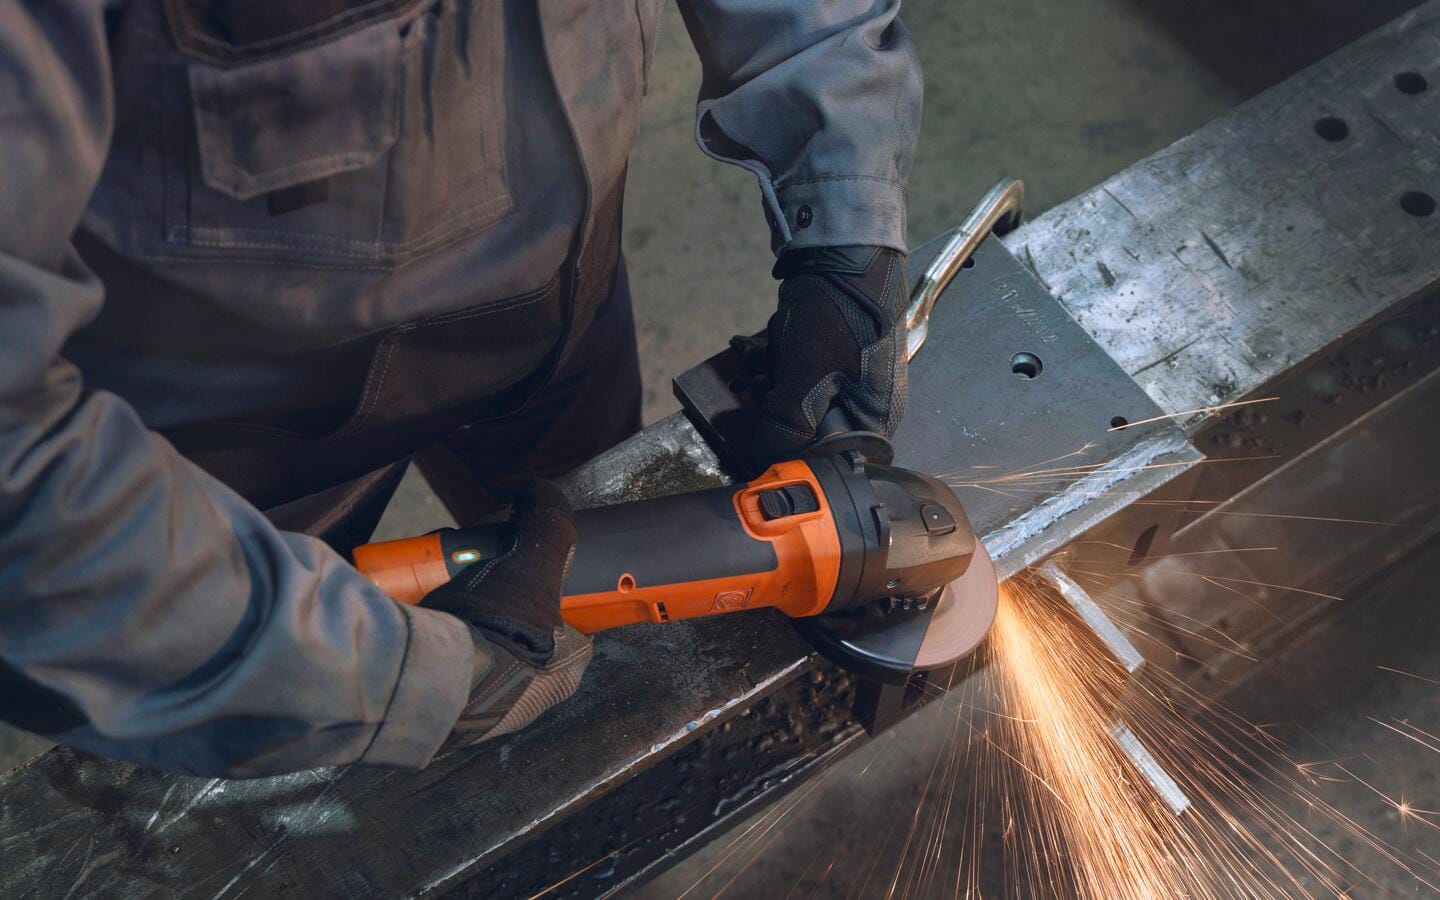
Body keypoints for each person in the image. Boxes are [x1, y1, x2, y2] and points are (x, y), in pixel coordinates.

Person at [0, 0, 922, 777]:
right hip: (228, 431)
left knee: (580, 634)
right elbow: (26, 512)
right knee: (230, 746)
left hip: (567, 304)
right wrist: (397, 681)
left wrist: (844, 203)